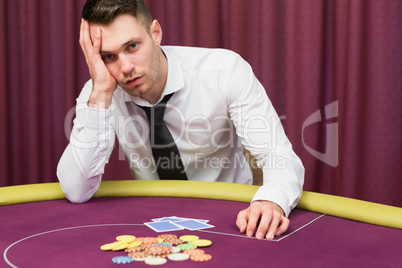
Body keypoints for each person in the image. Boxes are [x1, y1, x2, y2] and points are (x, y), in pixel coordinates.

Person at [57, 0, 304, 240]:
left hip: (234, 216)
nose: (126, 67)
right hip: (152, 221)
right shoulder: (100, 90)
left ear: (155, 33)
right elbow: (76, 190)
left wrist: (271, 201)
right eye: (108, 56)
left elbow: (278, 155)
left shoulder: (225, 71)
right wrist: (100, 93)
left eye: (132, 46)